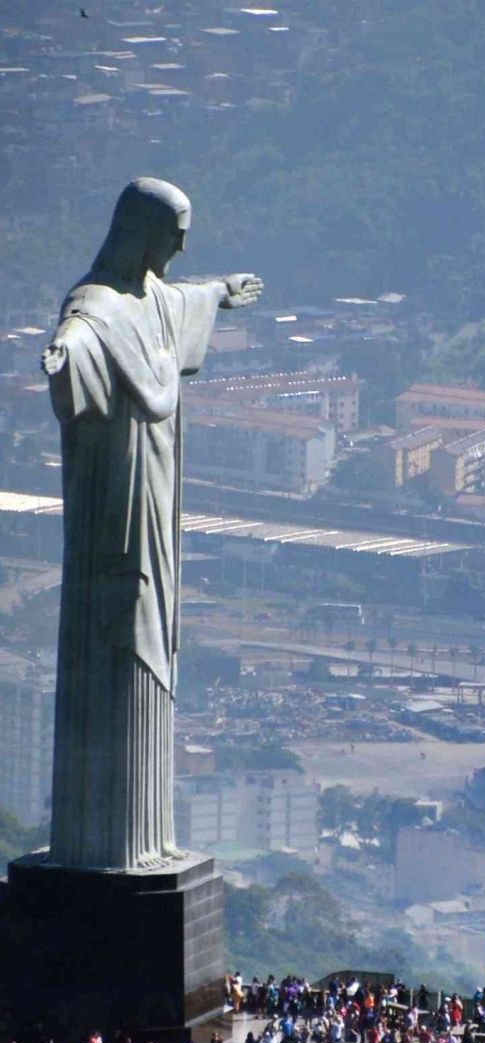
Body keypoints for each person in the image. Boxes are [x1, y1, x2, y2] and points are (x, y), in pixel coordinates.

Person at [41, 178, 262, 869]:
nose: (181, 248)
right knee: (120, 633)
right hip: (115, 507)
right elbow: (77, 337)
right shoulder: (97, 308)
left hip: (158, 501)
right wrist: (64, 358)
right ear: (140, 231)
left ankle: (146, 839)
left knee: (156, 642)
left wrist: (220, 290)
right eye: (174, 235)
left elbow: (177, 300)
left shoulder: (154, 299)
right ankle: (106, 843)